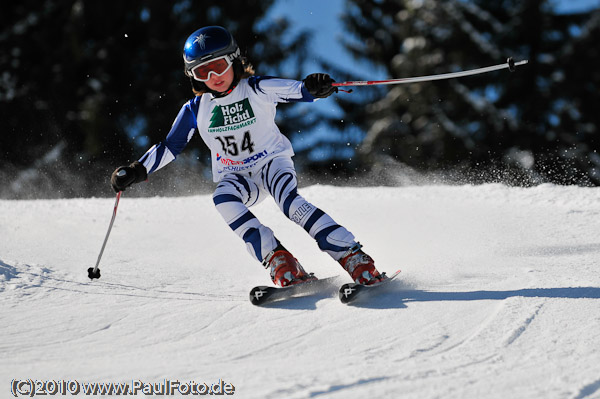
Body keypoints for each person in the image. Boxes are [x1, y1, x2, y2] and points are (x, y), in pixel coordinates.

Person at [111, 26, 384, 287]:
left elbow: (297, 90)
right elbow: (170, 146)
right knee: (223, 199)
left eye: (218, 66)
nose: (213, 77)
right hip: (238, 176)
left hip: (271, 163)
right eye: (203, 72)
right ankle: (279, 260)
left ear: (234, 61)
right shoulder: (196, 108)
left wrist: (315, 86)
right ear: (193, 76)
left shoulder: (255, 88)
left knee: (290, 204)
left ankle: (352, 256)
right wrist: (137, 170)